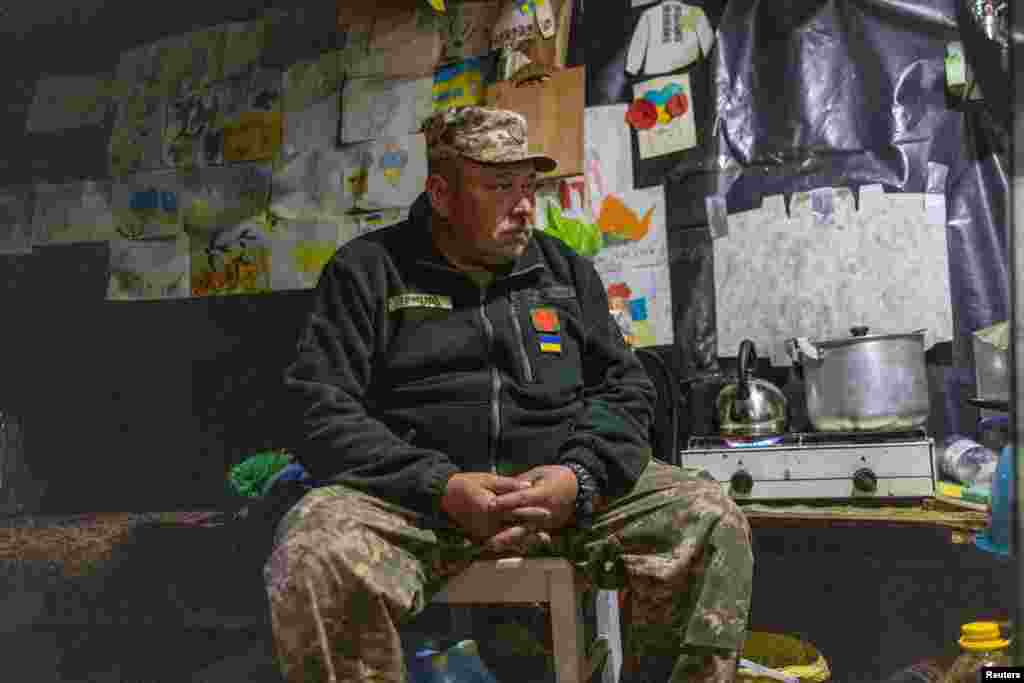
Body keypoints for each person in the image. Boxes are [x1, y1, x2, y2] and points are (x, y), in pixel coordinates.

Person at [265, 105, 753, 683]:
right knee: (313, 549)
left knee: (709, 518)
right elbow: (318, 407)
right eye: (500, 186)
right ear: (441, 194)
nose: (524, 205)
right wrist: (439, 486)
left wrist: (579, 477)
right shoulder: (369, 271)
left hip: (562, 495)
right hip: (419, 504)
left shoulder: (565, 271)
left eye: (530, 186)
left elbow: (626, 388)